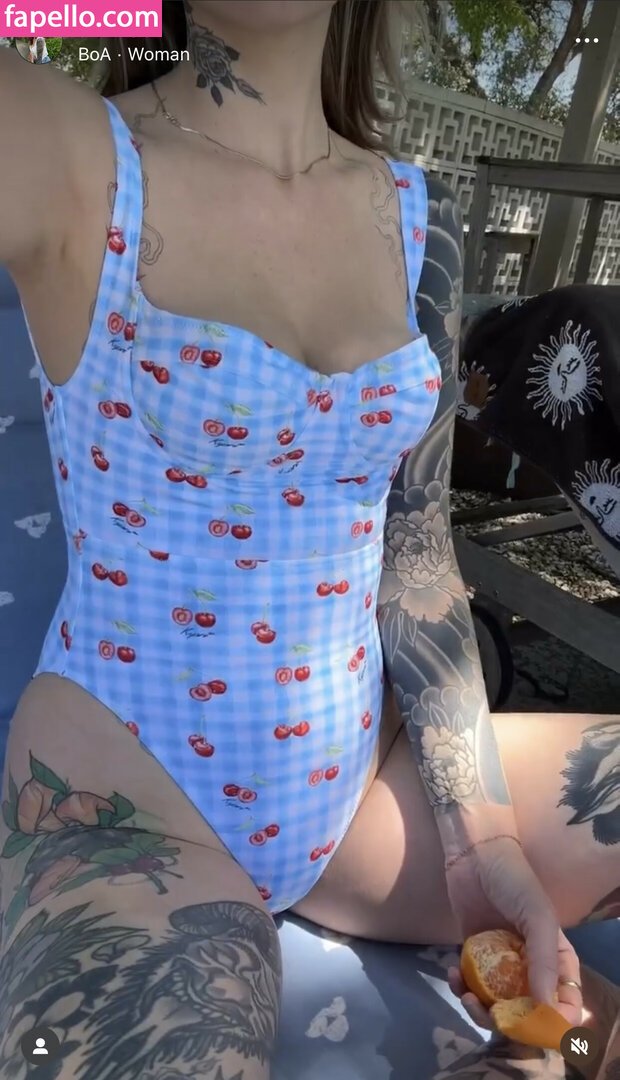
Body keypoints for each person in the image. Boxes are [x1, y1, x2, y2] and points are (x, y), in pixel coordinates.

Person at [0, 3, 618, 1078]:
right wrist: (125, 19)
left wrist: (485, 842)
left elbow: (417, 555)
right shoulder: (67, 154)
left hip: (364, 804)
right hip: (130, 815)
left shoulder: (418, 220)